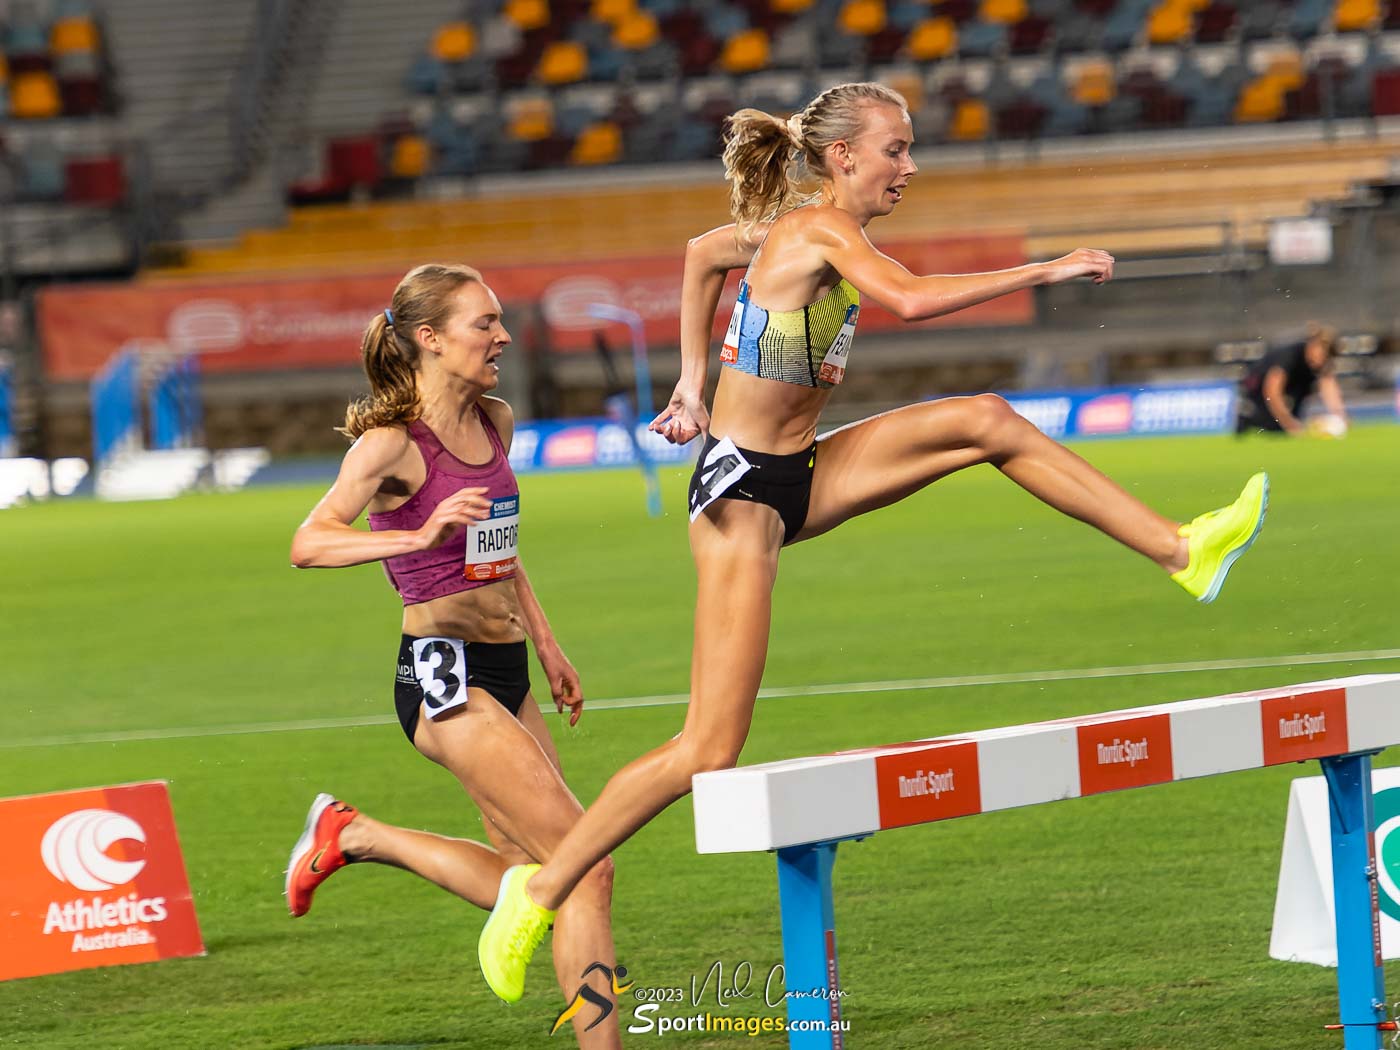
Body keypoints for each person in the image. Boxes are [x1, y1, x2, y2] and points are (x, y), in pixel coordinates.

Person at [475, 82, 1270, 999]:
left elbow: (700, 256)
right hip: (741, 498)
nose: (911, 165)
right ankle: (538, 890)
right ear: (844, 156)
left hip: (801, 468)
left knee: (988, 421)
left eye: (910, 148)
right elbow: (908, 298)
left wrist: (693, 383)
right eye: (895, 149)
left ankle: (1183, 551)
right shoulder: (820, 233)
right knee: (707, 748)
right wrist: (1040, 272)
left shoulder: (790, 231)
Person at [285, 263, 620, 1044]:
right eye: (484, 323)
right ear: (430, 340)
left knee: (531, 873)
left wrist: (545, 641)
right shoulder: (391, 447)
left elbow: (500, 549)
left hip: (506, 672)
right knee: (585, 868)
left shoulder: (494, 419)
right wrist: (418, 533)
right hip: (443, 675)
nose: (502, 335)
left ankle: (354, 834)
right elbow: (308, 542)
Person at [1236, 322, 1349, 436]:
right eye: (1323, 354)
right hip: (1257, 387)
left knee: (1291, 424)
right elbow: (1272, 391)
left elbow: (1329, 386)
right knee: (1275, 427)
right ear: (1313, 345)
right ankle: (1247, 419)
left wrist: (1340, 416)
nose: (1324, 359)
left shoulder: (1318, 363)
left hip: (1291, 387)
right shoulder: (1289, 356)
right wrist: (1288, 423)